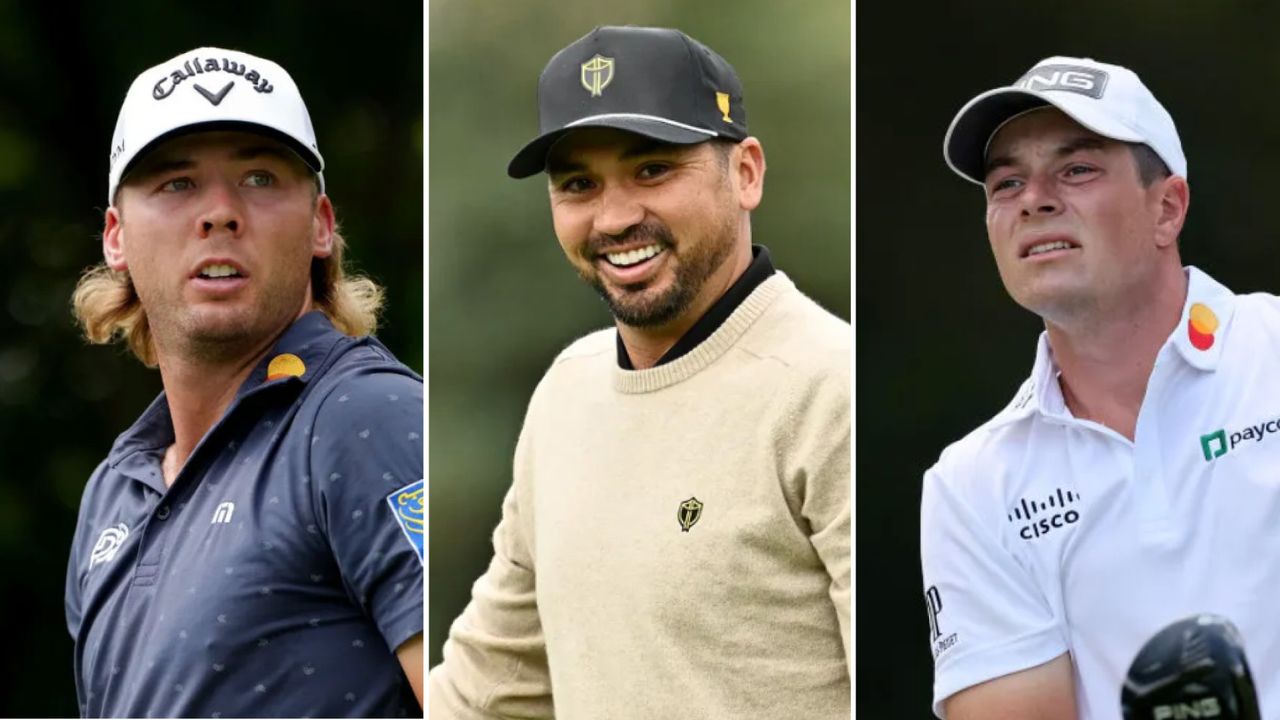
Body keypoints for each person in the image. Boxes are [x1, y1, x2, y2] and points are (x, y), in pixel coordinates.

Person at [429, 25, 850, 719]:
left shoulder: (829, 388)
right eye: (578, 185)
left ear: (745, 173)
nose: (615, 216)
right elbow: (488, 687)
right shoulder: (568, 388)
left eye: (652, 170)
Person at [64, 47, 423, 717]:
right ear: (115, 238)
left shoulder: (366, 417)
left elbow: (493, 699)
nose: (221, 213)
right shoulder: (112, 490)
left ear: (320, 226)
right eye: (176, 184)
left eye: (259, 178)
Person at [922, 56, 1280, 719]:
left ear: (1166, 208)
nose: (1034, 198)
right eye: (1006, 183)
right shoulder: (971, 485)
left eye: (1077, 169)